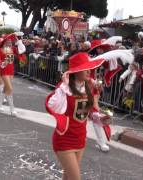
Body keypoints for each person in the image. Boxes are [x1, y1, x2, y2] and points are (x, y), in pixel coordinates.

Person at [45, 52, 105, 180]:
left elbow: (88, 114)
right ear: (77, 71)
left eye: (89, 68)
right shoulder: (64, 89)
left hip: (80, 138)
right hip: (65, 140)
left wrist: (100, 118)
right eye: (85, 68)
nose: (89, 71)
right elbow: (52, 105)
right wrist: (64, 86)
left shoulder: (88, 87)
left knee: (67, 177)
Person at [0, 33, 26, 115]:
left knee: (6, 89)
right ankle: (12, 109)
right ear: (5, 42)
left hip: (11, 71)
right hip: (4, 71)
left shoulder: (13, 49)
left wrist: (19, 41)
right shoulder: (0, 50)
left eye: (10, 41)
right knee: (10, 88)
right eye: (8, 41)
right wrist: (3, 63)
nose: (10, 42)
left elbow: (22, 50)